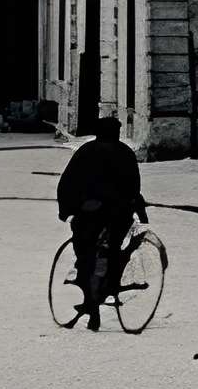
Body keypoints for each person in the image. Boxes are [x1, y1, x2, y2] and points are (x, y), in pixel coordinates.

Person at [55, 115, 148, 328]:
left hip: (91, 212)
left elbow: (68, 183)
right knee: (114, 247)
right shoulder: (125, 153)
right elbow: (134, 187)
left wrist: (66, 210)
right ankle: (111, 285)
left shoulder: (87, 152)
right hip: (119, 213)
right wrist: (138, 210)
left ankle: (90, 298)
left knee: (84, 251)